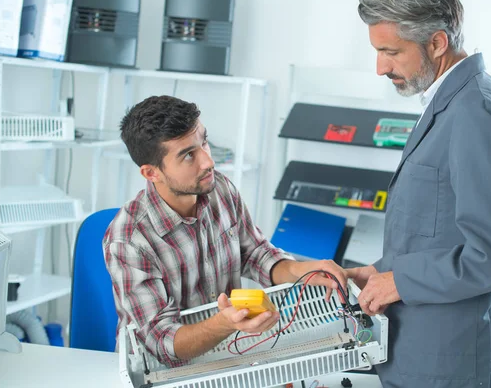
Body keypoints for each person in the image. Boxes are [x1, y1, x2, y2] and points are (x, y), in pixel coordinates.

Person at [346, 0, 491, 387]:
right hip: (418, 354)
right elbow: (439, 231)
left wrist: (400, 280)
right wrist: (380, 272)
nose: (380, 67)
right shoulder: (447, 103)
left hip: (450, 368)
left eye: (392, 52)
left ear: (436, 42)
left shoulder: (475, 111)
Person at [103, 95, 347, 368]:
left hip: (227, 355)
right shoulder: (129, 240)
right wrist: (225, 324)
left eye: (204, 142)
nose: (208, 162)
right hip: (164, 374)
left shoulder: (219, 188)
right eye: (188, 155)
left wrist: (302, 271)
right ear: (151, 173)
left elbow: (254, 253)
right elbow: (160, 343)